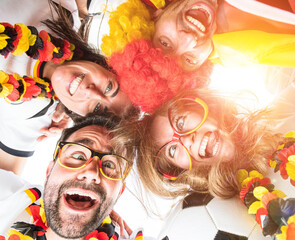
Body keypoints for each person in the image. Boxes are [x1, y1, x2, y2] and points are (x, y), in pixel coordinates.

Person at [121, 68, 295, 227]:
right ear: (181, 169)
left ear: (197, 103)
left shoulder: (287, 109)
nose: (186, 139)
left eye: (181, 122)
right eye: (172, 150)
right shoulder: (225, 215)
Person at [0, 0, 211, 175]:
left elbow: (5, 187)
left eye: (97, 109)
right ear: (106, 64)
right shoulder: (63, 9)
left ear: (78, 118)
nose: (90, 91)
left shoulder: (31, 117)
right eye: (109, 87)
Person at [0, 113, 139, 239]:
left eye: (109, 165)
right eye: (78, 156)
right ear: (49, 171)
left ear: (119, 191)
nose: (91, 172)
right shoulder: (8, 198)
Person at [147, 0, 295, 71]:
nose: (191, 40)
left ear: (155, 15)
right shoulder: (242, 28)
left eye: (166, 43)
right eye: (189, 60)